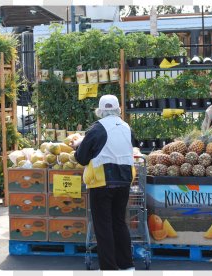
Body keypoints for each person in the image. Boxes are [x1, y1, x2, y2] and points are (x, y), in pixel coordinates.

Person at [74, 95, 136, 270]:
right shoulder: (127, 128)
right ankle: (126, 265)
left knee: (103, 226)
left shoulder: (96, 129)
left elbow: (82, 157)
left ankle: (109, 268)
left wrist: (76, 147)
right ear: (118, 109)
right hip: (124, 181)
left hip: (102, 182)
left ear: (100, 111)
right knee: (119, 222)